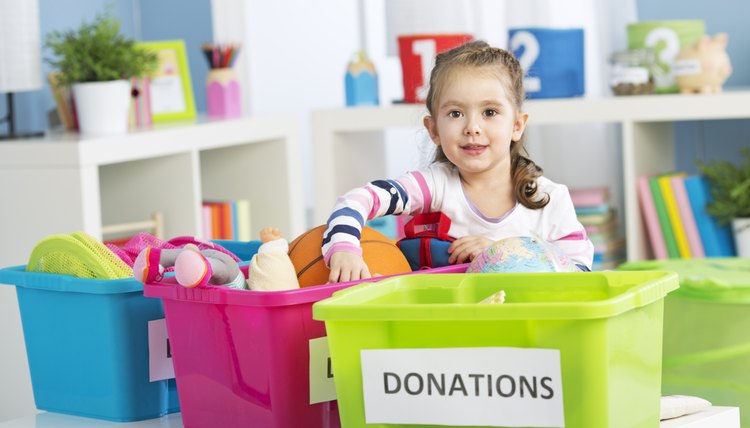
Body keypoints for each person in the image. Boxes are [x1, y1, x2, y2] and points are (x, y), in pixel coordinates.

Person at [323, 40, 594, 283]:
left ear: (517, 125)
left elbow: (579, 276)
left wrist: (500, 254)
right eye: (455, 113)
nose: (472, 127)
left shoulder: (550, 199)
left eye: (489, 112)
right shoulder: (434, 186)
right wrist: (344, 249)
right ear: (434, 130)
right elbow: (356, 200)